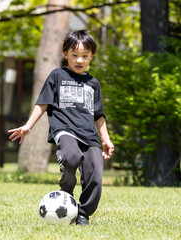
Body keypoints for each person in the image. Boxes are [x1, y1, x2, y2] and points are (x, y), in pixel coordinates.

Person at [8, 30, 114, 226]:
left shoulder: (93, 83)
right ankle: (66, 188)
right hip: (65, 130)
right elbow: (43, 103)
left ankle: (82, 214)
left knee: (95, 177)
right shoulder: (57, 75)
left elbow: (98, 115)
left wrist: (106, 139)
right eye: (74, 55)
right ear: (65, 54)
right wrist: (28, 126)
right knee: (71, 156)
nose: (79, 60)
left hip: (89, 136)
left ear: (92, 57)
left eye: (85, 56)